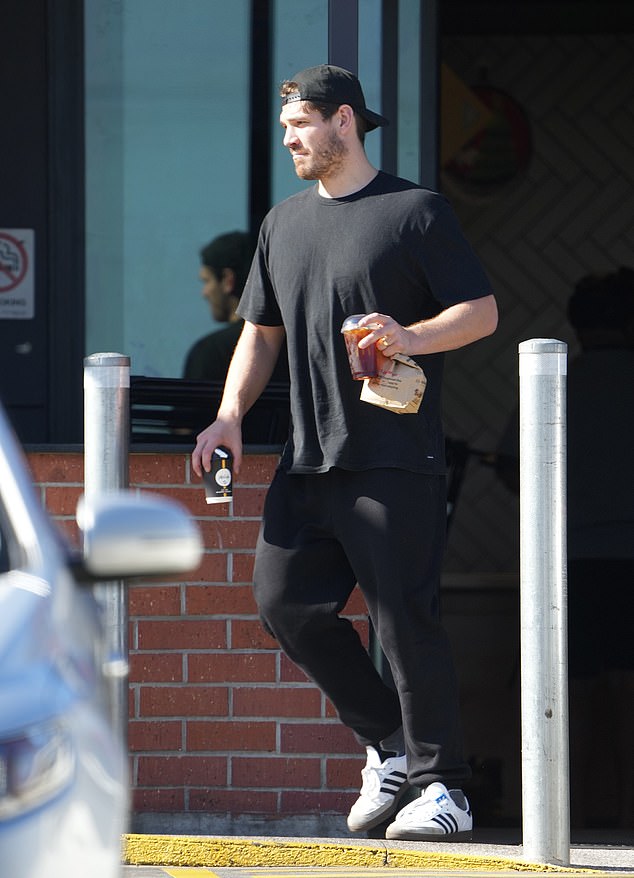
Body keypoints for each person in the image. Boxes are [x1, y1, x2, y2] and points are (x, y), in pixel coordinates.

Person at [192, 64, 498, 840]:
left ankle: (443, 789)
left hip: (394, 456)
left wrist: (411, 336)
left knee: (403, 620)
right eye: (288, 127)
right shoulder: (282, 223)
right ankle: (390, 743)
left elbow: (482, 312)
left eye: (300, 124)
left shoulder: (414, 211)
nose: (290, 138)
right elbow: (260, 335)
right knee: (284, 604)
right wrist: (228, 415)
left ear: (344, 122)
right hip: (308, 459)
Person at [495, 268, 634, 828]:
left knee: (565, 694)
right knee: (628, 696)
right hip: (630, 561)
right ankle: (627, 817)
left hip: (569, 561)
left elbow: (510, 465)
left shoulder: (559, 382)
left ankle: (562, 819)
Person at [183, 230, 289, 383]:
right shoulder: (297, 348)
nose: (204, 293)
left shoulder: (211, 353)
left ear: (227, 280)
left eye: (207, 281)